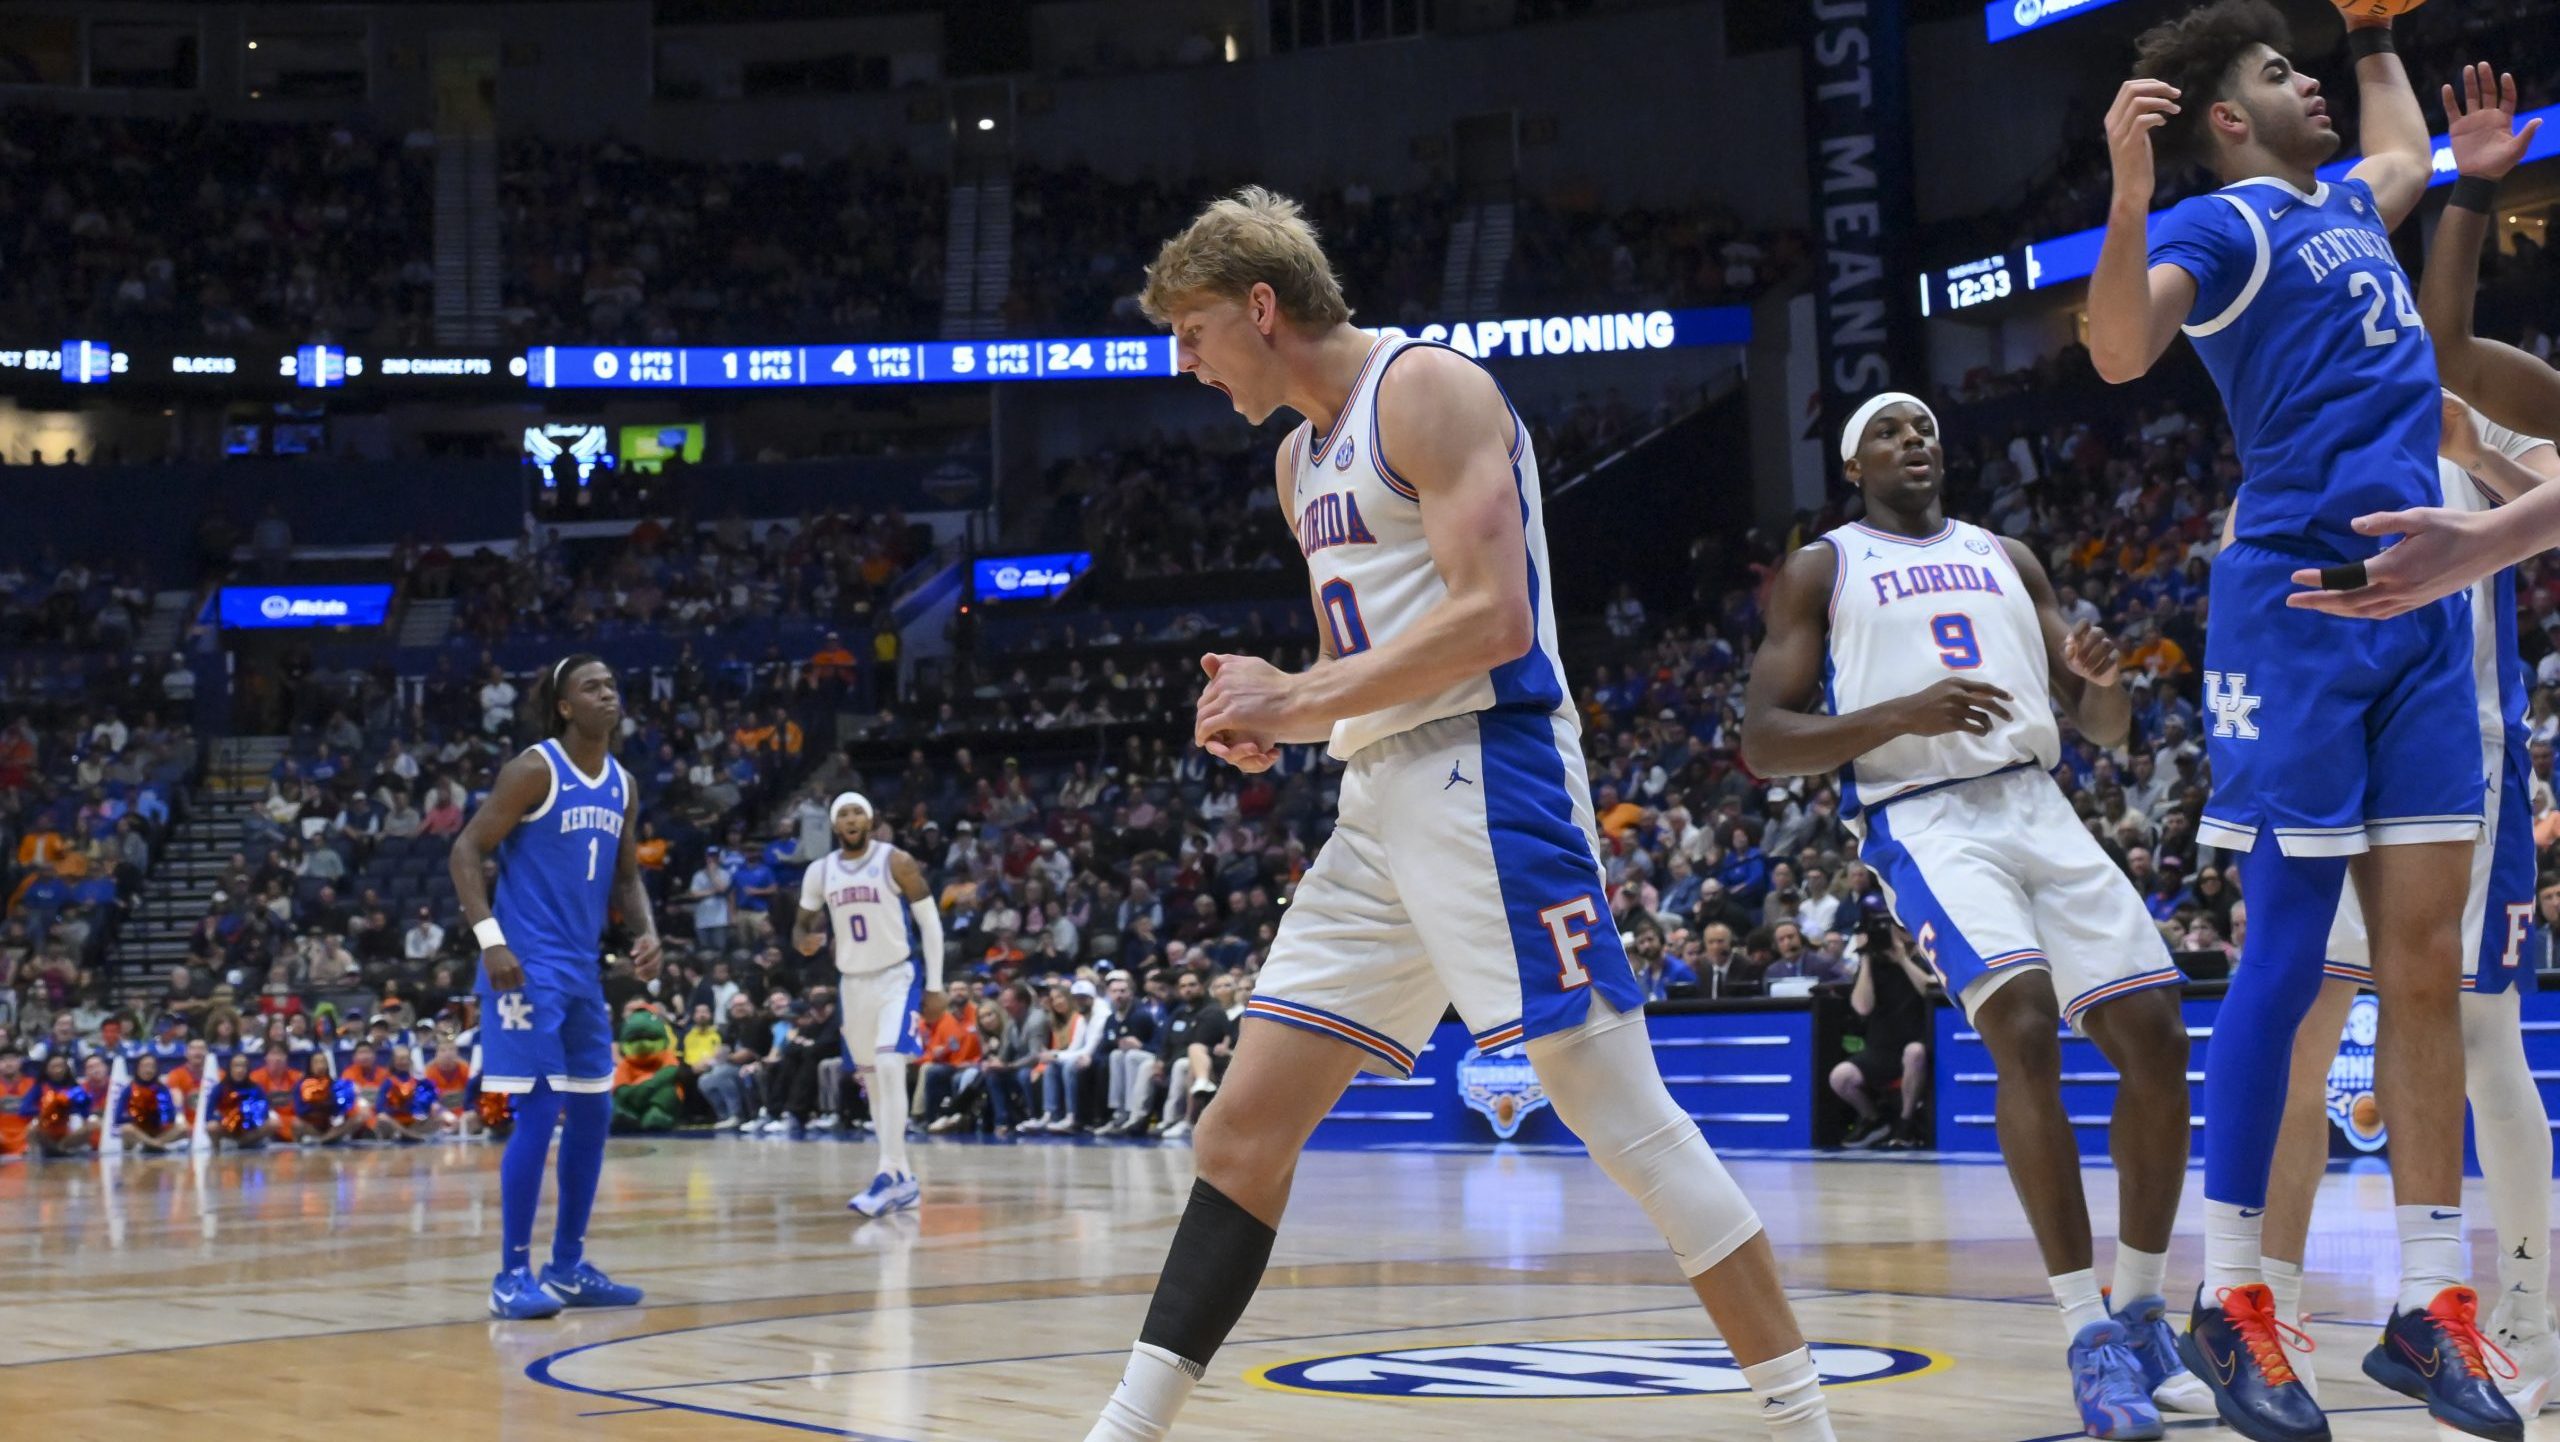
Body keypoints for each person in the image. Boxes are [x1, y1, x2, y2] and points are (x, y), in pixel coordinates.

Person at [1084, 188, 1830, 1442]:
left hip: (1492, 777)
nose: (1183, 359)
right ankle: (1123, 1428)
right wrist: (1282, 716)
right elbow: (1364, 660)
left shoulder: (1426, 390)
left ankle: (1805, 1419)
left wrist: (1305, 691)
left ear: (1262, 306)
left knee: (1625, 1120)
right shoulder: (1294, 458)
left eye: (1194, 328)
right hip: (1378, 800)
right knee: (1238, 1131)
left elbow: (1489, 620)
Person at [2091, 4, 2513, 1435]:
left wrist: (2383, 35)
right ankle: (2236, 1295)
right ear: (2224, 118)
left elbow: (2406, 155)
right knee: (2284, 949)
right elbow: (2116, 347)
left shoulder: (2343, 199)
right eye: (2280, 71)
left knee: (2418, 967)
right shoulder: (2221, 229)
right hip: (2298, 611)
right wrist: (2131, 196)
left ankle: (2430, 1301)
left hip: (2416, 607)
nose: (2307, 83)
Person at [1742, 392, 2204, 1437]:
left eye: (1926, 429)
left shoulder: (2009, 554)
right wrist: (1901, 712)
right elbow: (1764, 739)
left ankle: (2139, 1311)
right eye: (1892, 431)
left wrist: (2101, 682)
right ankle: (2084, 1329)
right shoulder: (1823, 565)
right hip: (1924, 815)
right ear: (1854, 463)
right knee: (2026, 1024)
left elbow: (2106, 727)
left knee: (2158, 1038)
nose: (1917, 439)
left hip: (2037, 800)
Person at [2261, 399, 2560, 1416]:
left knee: (2484, 1040)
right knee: (2301, 1040)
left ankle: (2528, 1317)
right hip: (2331, 752)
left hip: (2464, 754)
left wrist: (2471, 445)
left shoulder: (2469, 408)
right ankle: (2274, 1318)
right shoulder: (2300, 406)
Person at [450, 653, 662, 1320]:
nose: (609, 693)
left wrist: (646, 931)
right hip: (523, 966)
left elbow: (627, 876)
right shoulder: (535, 769)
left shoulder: (623, 783)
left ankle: (566, 1266)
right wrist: (492, 942)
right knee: (539, 1112)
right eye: (592, 687)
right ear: (565, 706)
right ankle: (510, 1275)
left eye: (612, 683)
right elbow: (465, 851)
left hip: (580, 969)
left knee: (596, 1112)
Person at [794, 791, 944, 1215]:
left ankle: (889, 1173)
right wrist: (803, 941)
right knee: (873, 1081)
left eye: (858, 811)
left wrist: (935, 985)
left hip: (898, 976)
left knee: (891, 1063)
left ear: (872, 818)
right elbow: (800, 926)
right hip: (853, 984)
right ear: (835, 824)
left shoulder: (896, 861)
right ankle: (902, 1179)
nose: (852, 819)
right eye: (843, 813)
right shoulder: (819, 872)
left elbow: (930, 924)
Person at [1830, 921, 1934, 1152]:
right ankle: (1875, 1119)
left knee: (1914, 1053)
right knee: (1840, 1077)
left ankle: (1905, 1123)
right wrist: (1866, 958)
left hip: (1918, 1042)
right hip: (1882, 1048)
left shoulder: (1924, 957)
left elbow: (1929, 990)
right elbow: (1862, 1007)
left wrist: (1902, 959)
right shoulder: (1874, 965)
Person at [115, 1052, 188, 1152]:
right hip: (139, 1131)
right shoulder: (129, 1089)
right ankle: (155, 1144)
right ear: (138, 1069)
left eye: (151, 1066)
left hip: (159, 1131)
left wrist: (159, 1116)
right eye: (145, 1066)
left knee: (183, 1128)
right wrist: (138, 1117)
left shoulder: (163, 1089)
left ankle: (152, 1144)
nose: (148, 1070)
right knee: (127, 1129)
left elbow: (171, 1116)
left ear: (156, 1069)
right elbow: (118, 1117)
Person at [206, 1051, 275, 1150]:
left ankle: (242, 1143)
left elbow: (264, 1113)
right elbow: (208, 1115)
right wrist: (226, 1121)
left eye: (243, 1066)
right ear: (230, 1068)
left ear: (248, 1069)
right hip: (227, 1128)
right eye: (236, 1066)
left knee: (273, 1123)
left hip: (250, 1128)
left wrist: (251, 1120)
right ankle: (217, 1150)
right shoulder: (219, 1088)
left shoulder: (256, 1088)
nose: (239, 1070)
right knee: (211, 1127)